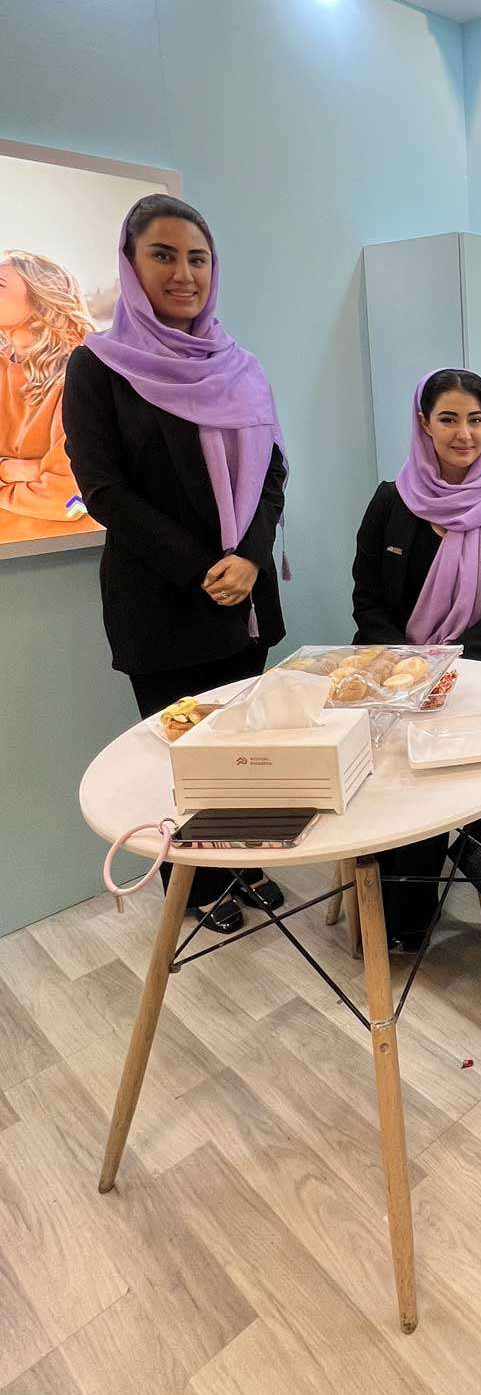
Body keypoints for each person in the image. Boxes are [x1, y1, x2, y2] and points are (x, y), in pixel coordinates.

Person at [63, 195, 288, 933]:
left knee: (245, 750)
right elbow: (103, 488)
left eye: (198, 258)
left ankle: (247, 861)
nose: (183, 273)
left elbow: (273, 471)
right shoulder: (98, 367)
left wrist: (249, 557)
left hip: (243, 596)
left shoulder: (239, 366)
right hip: (161, 602)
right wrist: (204, 567)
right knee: (182, 757)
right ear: (132, 266)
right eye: (163, 255)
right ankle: (197, 886)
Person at [352, 368, 481, 950]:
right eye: (449, 419)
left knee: (435, 773)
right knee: (385, 778)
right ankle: (386, 903)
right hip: (391, 678)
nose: (465, 434)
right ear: (424, 424)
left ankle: (404, 914)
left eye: (476, 420)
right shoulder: (391, 501)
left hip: (476, 676)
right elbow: (367, 598)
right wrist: (406, 670)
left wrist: (449, 667)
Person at [0, 250, 99, 545]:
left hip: (63, 554)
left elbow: (71, 500)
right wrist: (18, 470)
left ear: (40, 298)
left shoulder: (80, 376)